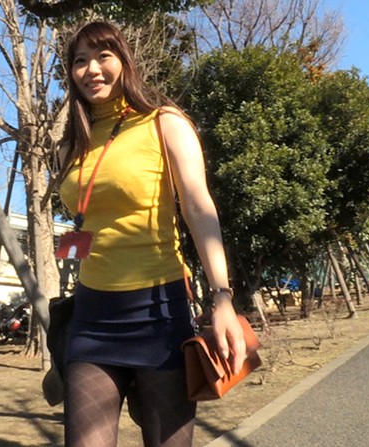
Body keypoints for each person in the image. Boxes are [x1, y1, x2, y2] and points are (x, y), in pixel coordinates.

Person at [55, 21, 246, 447]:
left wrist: (222, 297)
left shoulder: (165, 123)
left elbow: (198, 208)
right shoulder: (70, 146)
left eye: (103, 56)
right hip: (91, 316)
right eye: (80, 61)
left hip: (158, 313)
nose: (92, 69)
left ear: (124, 61)